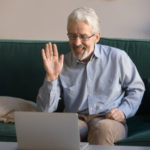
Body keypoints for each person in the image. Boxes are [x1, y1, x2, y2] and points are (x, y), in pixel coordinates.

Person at [36, 7, 145, 145]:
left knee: (102, 129)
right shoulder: (60, 64)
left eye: (83, 36)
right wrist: (51, 77)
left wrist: (123, 111)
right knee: (66, 129)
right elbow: (44, 111)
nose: (76, 43)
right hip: (75, 119)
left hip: (108, 120)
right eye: (73, 36)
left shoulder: (118, 58)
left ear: (97, 37)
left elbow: (137, 88)